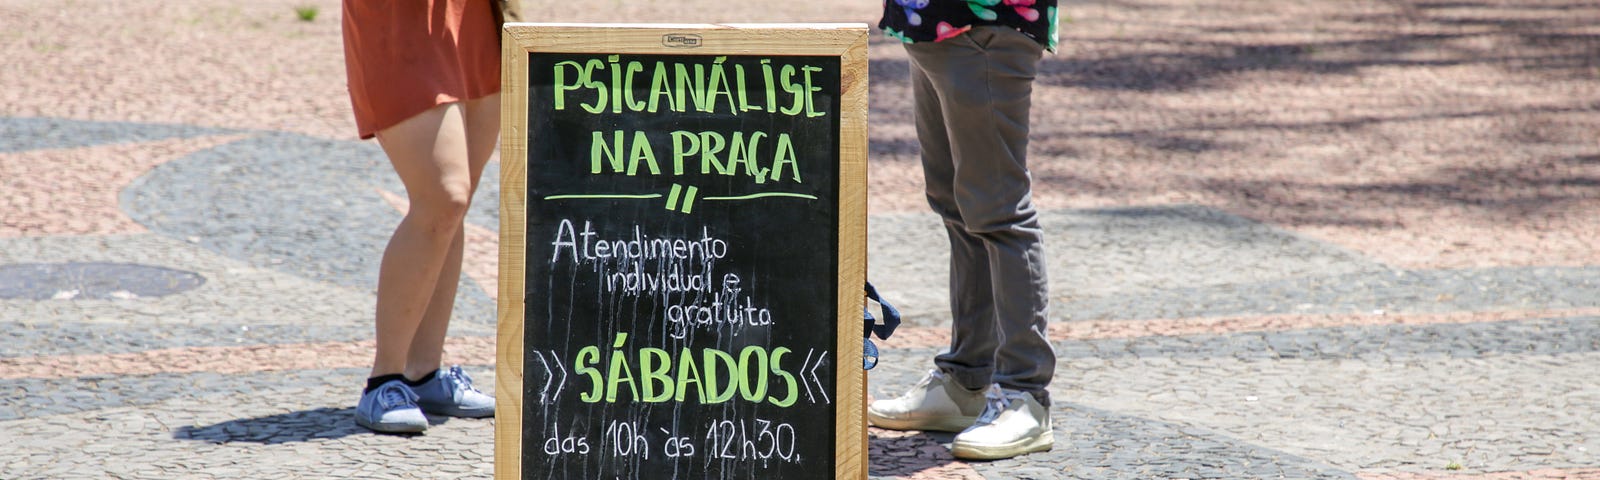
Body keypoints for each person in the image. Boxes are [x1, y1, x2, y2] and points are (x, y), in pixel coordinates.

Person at [867, 0, 1059, 460]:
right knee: (956, 205)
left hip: (987, 23)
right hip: (931, 24)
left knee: (1000, 213)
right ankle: (965, 381)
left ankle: (1025, 397)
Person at [340, 0, 521, 433]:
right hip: (400, 20)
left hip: (474, 17)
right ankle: (384, 380)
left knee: (452, 208)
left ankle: (424, 372)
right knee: (444, 197)